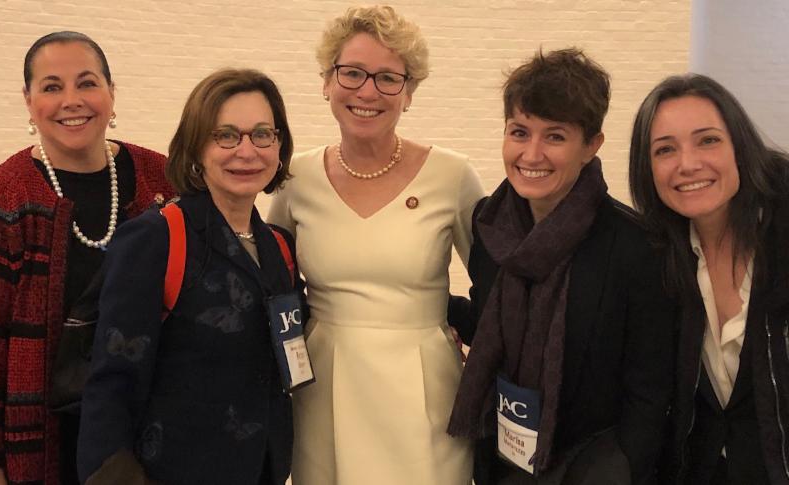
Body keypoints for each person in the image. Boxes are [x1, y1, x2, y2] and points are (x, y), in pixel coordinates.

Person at [267, 5, 484, 484]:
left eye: (388, 78)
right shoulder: (295, 178)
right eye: (352, 73)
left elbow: (496, 289)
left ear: (409, 92)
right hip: (323, 388)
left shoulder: (453, 176)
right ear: (327, 81)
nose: (368, 92)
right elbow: (273, 285)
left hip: (425, 392)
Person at [446, 48, 676, 485]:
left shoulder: (635, 244)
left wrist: (624, 466)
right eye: (519, 132)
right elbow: (492, 323)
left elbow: (650, 387)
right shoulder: (490, 227)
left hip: (592, 465)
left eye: (555, 136)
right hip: (505, 461)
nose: (531, 154)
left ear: (591, 146)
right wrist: (420, 304)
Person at [76, 68, 301, 484]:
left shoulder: (279, 247)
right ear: (196, 147)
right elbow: (112, 380)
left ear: (279, 145)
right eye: (226, 135)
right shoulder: (157, 238)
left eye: (262, 134)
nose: (246, 151)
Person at [0, 31, 173, 485]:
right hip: (44, 447)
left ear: (112, 92)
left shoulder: (163, 180)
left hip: (153, 439)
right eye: (52, 86)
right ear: (28, 101)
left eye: (87, 83)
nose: (71, 100)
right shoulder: (2, 198)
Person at [628, 73, 789, 485]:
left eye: (708, 140)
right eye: (665, 149)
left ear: (740, 145)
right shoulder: (659, 256)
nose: (688, 164)